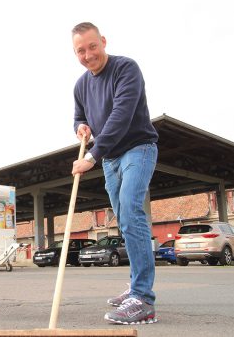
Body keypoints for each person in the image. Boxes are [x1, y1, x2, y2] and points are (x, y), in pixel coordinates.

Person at [70, 22, 159, 325]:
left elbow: (120, 117)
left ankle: (144, 299)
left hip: (138, 147)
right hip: (110, 158)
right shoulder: (80, 85)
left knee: (132, 210)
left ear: (103, 42)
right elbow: (80, 116)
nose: (87, 54)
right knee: (124, 220)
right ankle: (135, 286)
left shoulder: (126, 69)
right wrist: (80, 128)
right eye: (80, 50)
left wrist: (92, 156)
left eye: (92, 46)